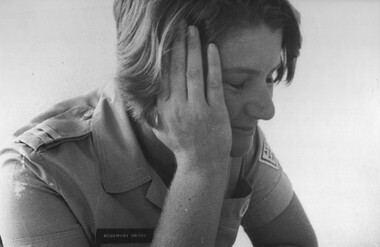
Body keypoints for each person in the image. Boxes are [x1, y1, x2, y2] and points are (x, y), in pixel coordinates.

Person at [0, 0, 318, 246]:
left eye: (270, 76)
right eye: (235, 82)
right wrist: (201, 167)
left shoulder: (235, 133)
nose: (266, 109)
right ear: (156, 75)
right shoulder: (34, 173)